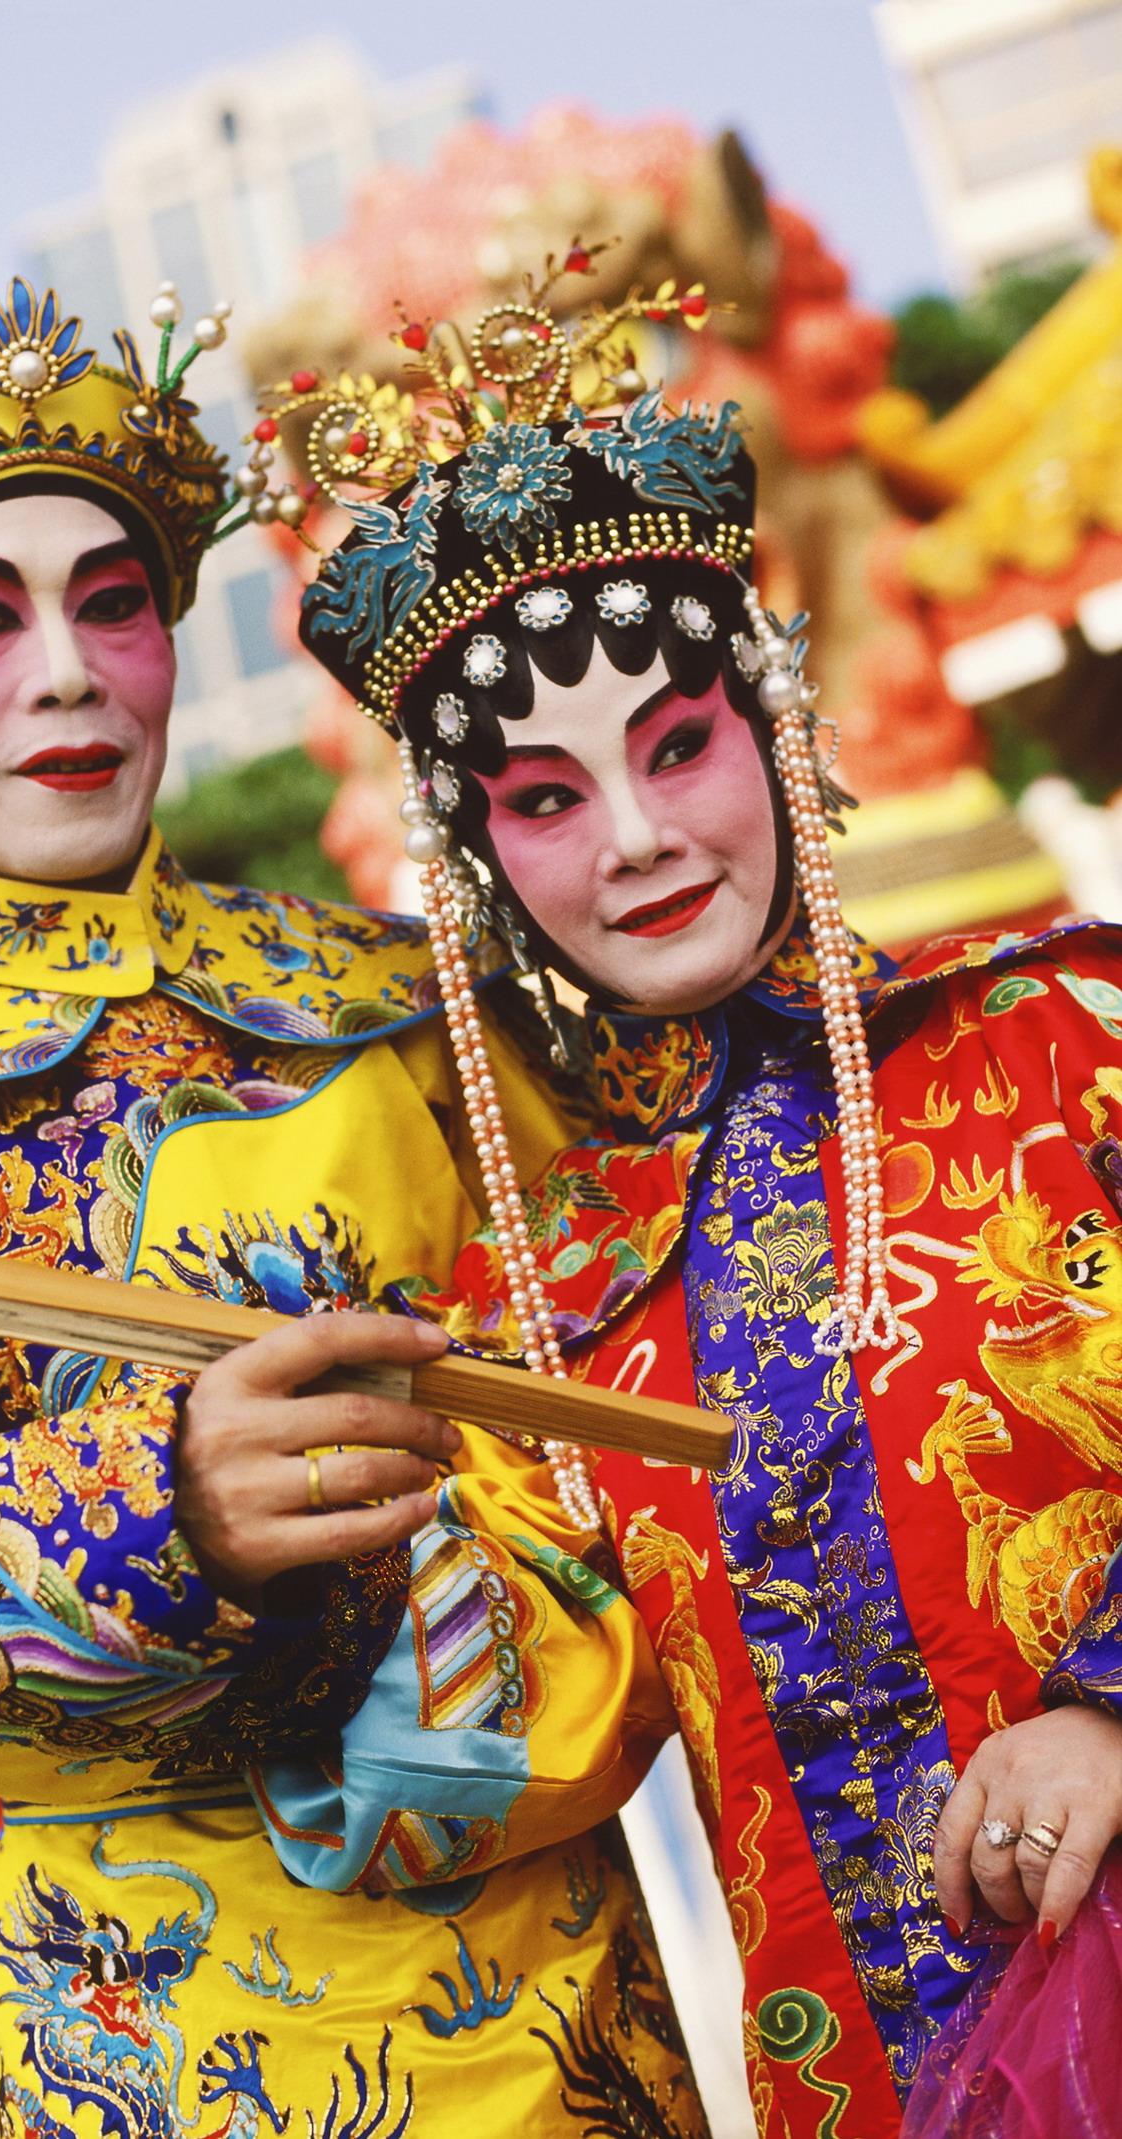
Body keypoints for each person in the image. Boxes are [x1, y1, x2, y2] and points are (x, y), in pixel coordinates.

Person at [0, 280, 702, 2137]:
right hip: (156, 2028)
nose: (68, 671)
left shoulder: (415, 1005)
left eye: (113, 603)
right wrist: (158, 1512)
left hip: (558, 1973)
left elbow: (669, 1348)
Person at [284, 258, 1122, 2136]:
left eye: (676, 746)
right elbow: (484, 1765)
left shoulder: (1074, 1030)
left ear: (773, 723)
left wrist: (1111, 1702)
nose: (644, 837)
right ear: (482, 858)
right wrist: (274, 1526)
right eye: (548, 797)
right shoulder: (545, 1288)